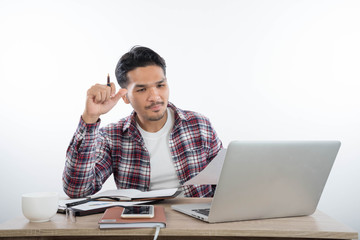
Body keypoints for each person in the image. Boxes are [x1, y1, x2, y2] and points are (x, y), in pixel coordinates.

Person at [63, 46, 222, 198]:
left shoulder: (199, 125)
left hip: (194, 223)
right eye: (141, 89)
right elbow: (77, 190)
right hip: (141, 222)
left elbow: (225, 182)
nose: (155, 97)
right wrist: (90, 117)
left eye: (160, 85)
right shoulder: (112, 136)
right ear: (125, 96)